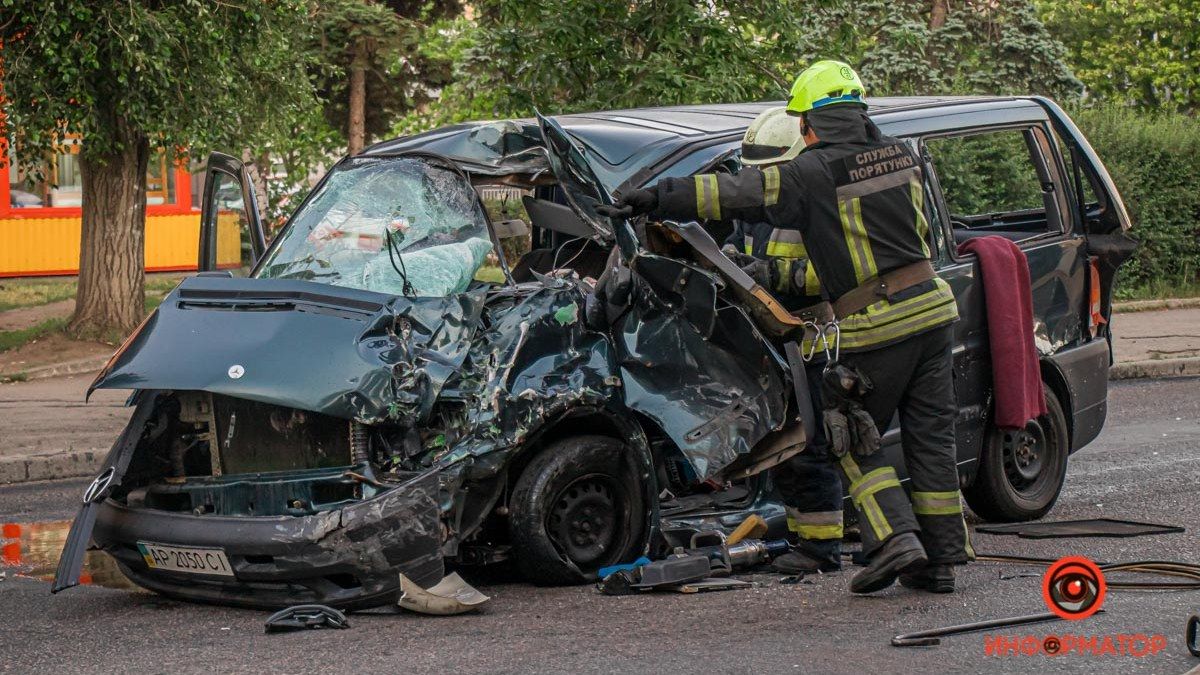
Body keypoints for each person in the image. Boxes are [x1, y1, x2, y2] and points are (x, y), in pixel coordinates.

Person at [598, 60, 972, 594]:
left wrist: (655, 198)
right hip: (935, 314)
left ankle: (895, 541)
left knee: (847, 430)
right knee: (931, 439)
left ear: (807, 126)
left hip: (877, 322)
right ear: (860, 112)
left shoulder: (813, 173)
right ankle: (939, 564)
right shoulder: (900, 155)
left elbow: (732, 193)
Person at [724, 107, 842, 575]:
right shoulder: (758, 207)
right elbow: (739, 249)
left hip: (817, 345)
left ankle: (821, 550)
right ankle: (805, 539)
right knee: (790, 452)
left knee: (812, 449)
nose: (761, 180)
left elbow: (835, 271)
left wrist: (769, 274)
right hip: (775, 348)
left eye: (770, 171)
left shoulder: (821, 203)